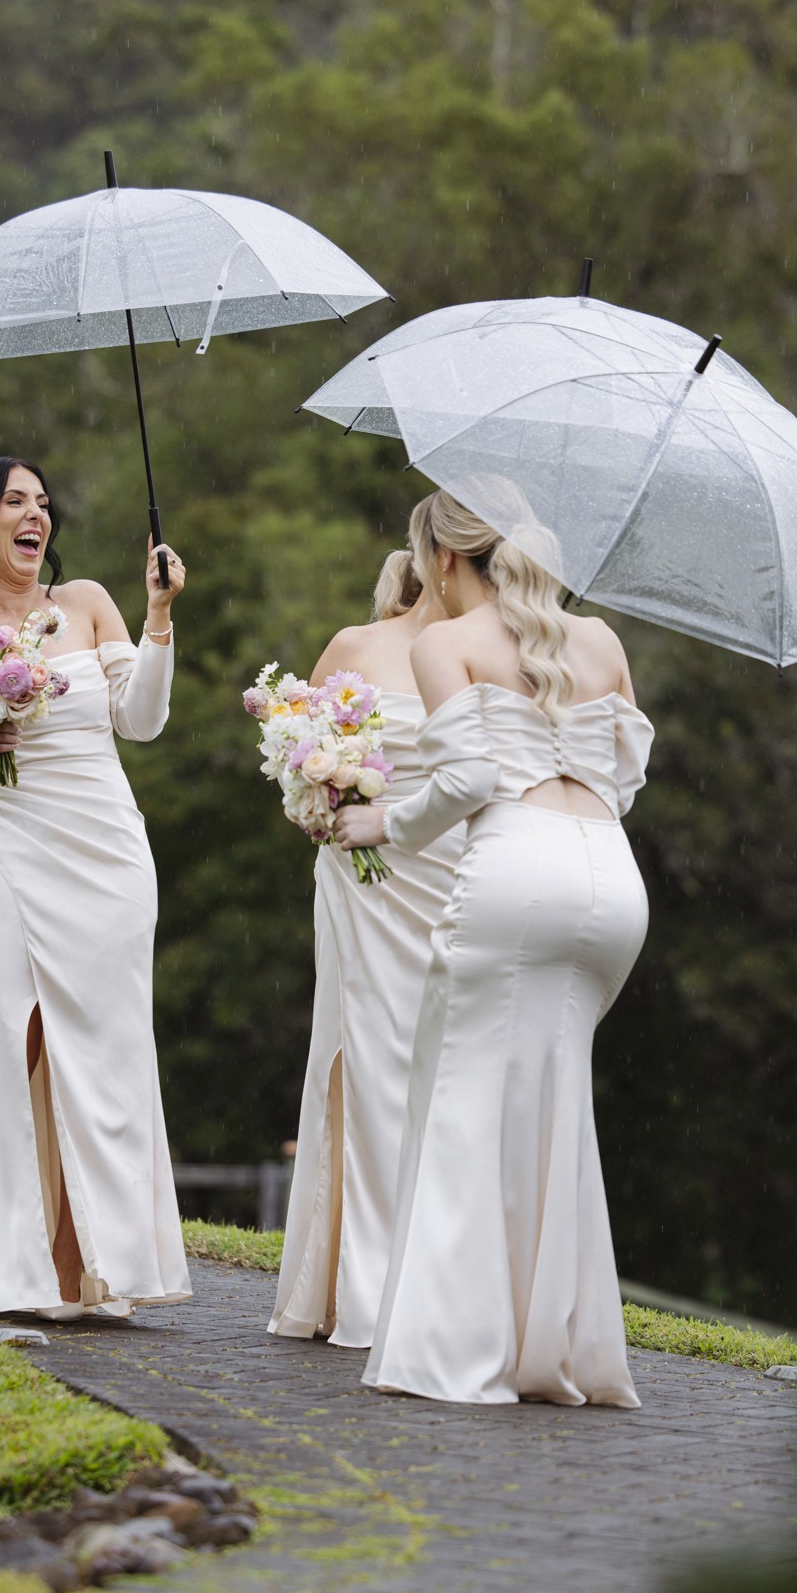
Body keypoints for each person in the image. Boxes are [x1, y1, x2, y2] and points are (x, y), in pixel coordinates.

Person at [334, 490, 652, 1406]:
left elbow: (470, 779)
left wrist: (380, 826)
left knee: (464, 1105)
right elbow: (626, 769)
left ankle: (455, 1351)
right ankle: (559, 1351)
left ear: (440, 561)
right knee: (556, 1110)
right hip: (611, 886)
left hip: (518, 875)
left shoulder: (444, 642)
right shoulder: (598, 641)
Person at [0, 455, 191, 1319]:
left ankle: (97, 1270)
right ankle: (14, 1267)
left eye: (43, 504)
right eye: (15, 503)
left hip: (105, 851)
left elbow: (142, 720)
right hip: (2, 849)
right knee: (9, 1040)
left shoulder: (90, 604)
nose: (36, 516)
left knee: (108, 1050)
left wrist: (160, 616)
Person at [270, 507, 461, 1348]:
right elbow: (291, 749)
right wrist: (323, 795)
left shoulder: (493, 657)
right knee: (366, 1059)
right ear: (436, 555)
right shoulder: (357, 646)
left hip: (452, 878)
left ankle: (441, 1276)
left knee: (448, 1068)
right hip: (359, 881)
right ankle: (361, 1280)